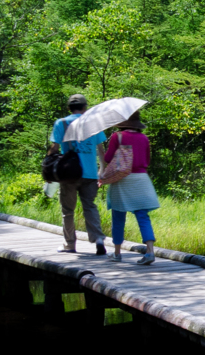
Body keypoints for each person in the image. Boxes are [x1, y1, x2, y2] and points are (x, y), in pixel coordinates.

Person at [49, 94, 107, 255]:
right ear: (85, 108)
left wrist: (48, 165)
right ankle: (99, 239)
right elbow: (100, 149)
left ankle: (69, 244)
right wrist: (102, 170)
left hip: (69, 173)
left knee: (68, 210)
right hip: (89, 173)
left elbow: (55, 148)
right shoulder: (94, 123)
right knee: (89, 206)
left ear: (69, 108)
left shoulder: (61, 123)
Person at [104, 112, 159, 266]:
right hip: (141, 179)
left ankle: (117, 253)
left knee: (118, 216)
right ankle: (150, 251)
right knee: (142, 216)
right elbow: (147, 160)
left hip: (122, 179)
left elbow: (108, 159)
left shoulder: (117, 136)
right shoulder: (144, 138)